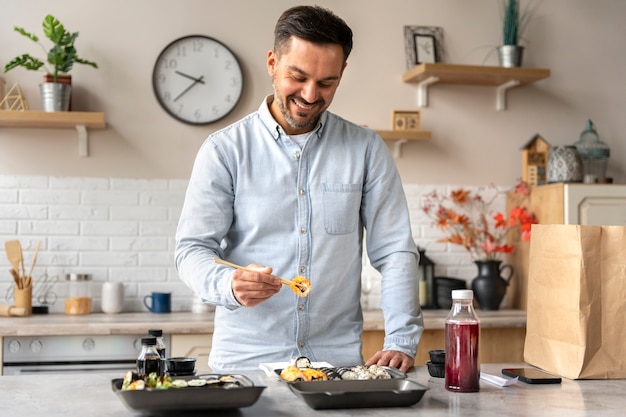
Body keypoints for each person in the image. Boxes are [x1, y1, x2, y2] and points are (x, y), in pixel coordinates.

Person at [175, 5, 423, 372]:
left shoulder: (366, 149)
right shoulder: (224, 150)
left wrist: (401, 339)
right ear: (273, 62)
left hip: (335, 366)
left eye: (327, 83)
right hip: (246, 365)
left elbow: (396, 251)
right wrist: (229, 284)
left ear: (342, 74)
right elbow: (192, 250)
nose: (310, 95)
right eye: (298, 76)